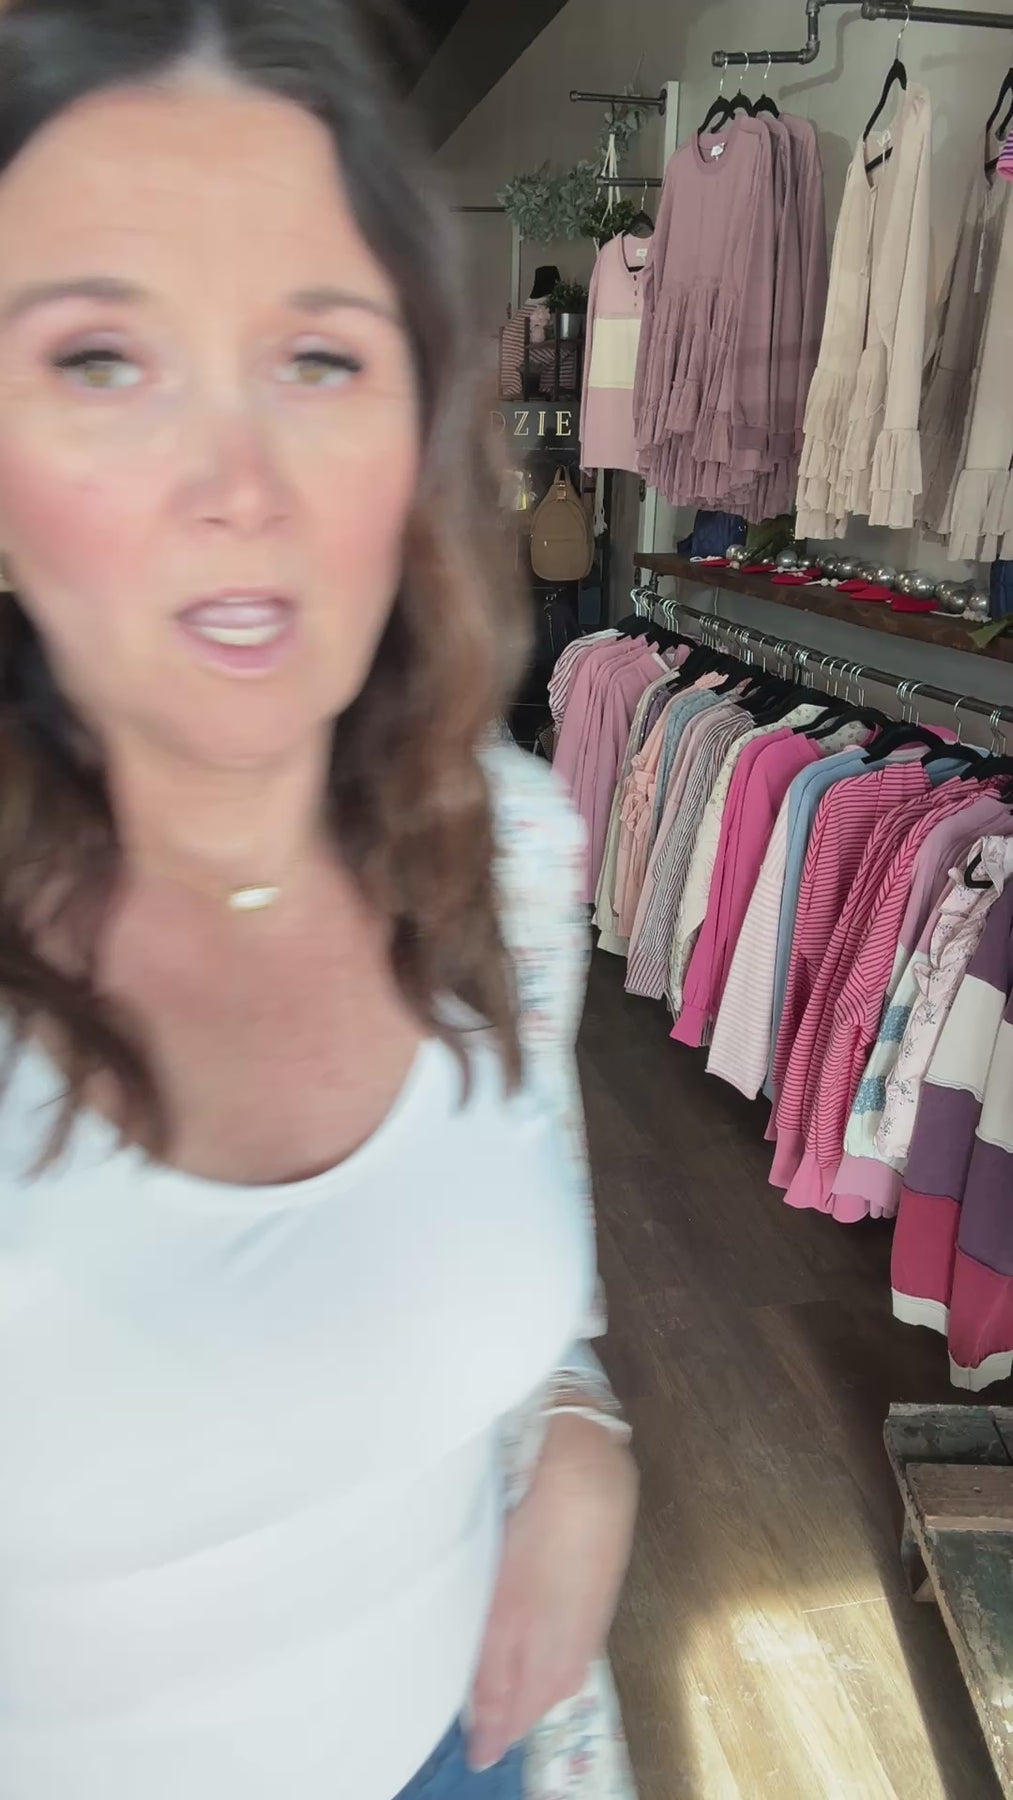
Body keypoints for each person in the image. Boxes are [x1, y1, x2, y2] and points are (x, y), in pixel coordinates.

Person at [0, 3, 638, 1798]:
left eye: (317, 358)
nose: (240, 484)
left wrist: (576, 1431)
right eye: (102, 358)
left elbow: (529, 1280)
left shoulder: (503, 848)